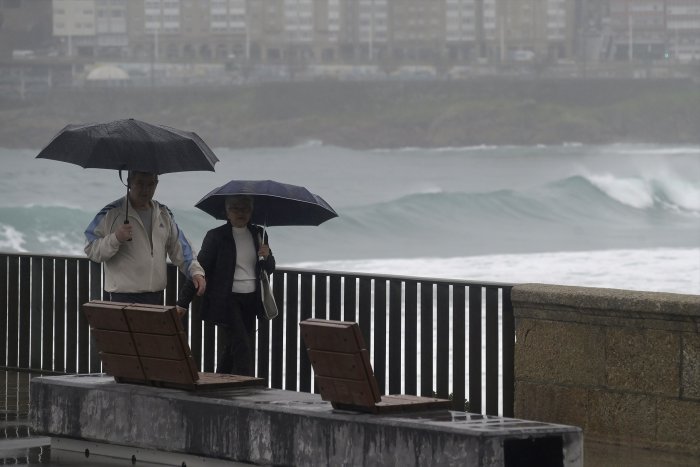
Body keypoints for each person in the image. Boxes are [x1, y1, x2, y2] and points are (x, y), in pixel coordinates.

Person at [177, 194, 275, 376]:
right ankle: (248, 389)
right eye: (235, 208)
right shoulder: (216, 236)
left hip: (251, 299)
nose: (241, 212)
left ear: (251, 211)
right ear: (227, 212)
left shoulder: (259, 234)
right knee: (242, 346)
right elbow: (199, 268)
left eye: (245, 208)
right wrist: (183, 302)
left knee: (234, 346)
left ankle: (219, 380)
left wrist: (267, 256)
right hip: (227, 299)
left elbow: (269, 269)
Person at [84, 171, 206, 309]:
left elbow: (180, 248)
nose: (145, 189)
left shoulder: (163, 213)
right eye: (140, 183)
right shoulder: (111, 212)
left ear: (157, 184)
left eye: (151, 184)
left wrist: (196, 272)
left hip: (156, 295)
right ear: (129, 182)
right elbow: (90, 247)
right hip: (122, 296)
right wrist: (115, 238)